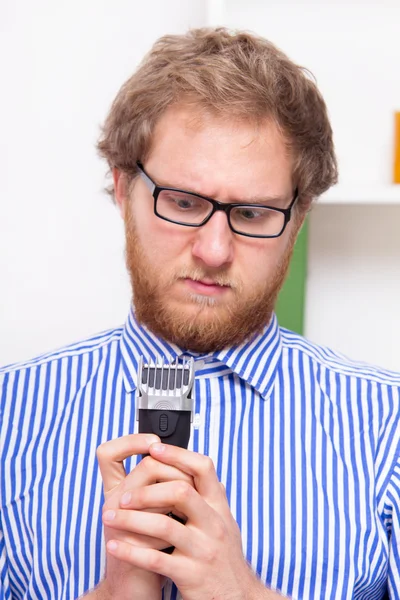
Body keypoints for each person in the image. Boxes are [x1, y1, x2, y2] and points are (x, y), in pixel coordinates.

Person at [0, 26, 399, 600]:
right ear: (121, 188)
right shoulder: (11, 414)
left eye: (255, 213)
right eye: (183, 203)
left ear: (299, 218)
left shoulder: (388, 427)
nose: (214, 250)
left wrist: (243, 594)